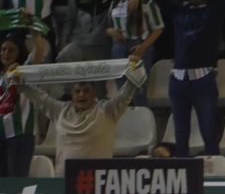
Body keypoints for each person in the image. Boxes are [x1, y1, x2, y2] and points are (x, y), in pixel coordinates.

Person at [150, 0, 225, 157]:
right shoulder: (178, 10)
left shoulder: (214, 10)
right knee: (180, 133)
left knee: (208, 131)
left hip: (203, 80)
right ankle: (183, 173)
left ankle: (215, 171)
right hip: (178, 80)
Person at [16, 57, 149, 174]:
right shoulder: (60, 110)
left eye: (86, 91)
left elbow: (127, 92)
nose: (81, 95)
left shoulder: (108, 110)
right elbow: (38, 97)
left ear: (94, 94)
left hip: (97, 181)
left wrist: (135, 67)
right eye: (77, 91)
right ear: (72, 95)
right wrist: (18, 77)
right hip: (63, 180)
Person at [0, 32, 48, 178]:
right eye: (3, 49)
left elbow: (40, 49)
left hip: (21, 136)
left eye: (11, 49)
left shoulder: (26, 71)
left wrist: (34, 31)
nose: (6, 53)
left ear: (19, 52)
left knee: (16, 186)